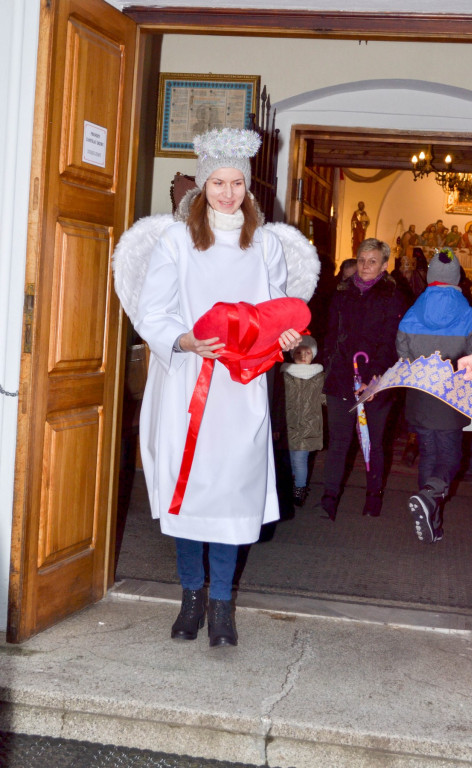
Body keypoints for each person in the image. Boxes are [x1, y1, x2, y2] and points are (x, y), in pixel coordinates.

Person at [134, 128, 302, 648]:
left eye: (236, 184)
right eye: (218, 183)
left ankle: (223, 603)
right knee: (192, 491)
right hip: (188, 381)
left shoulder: (265, 243)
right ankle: (190, 599)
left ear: (248, 188)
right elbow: (151, 310)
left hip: (241, 387)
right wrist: (181, 339)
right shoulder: (177, 240)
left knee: (231, 494)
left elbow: (274, 309)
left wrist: (288, 335)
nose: (227, 193)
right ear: (202, 185)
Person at [396, 247, 472, 544]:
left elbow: (402, 354)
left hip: (422, 396)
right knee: (450, 456)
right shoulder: (468, 314)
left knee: (429, 453)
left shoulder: (412, 312)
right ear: (456, 277)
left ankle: (432, 521)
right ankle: (430, 494)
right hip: (453, 397)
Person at [321, 238, 407, 520]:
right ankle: (329, 498)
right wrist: (328, 364)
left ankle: (373, 497)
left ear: (384, 265)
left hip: (376, 383)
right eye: (361, 260)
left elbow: (391, 340)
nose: (365, 266)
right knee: (339, 441)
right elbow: (331, 335)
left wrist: (376, 378)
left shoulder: (392, 296)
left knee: (374, 443)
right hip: (341, 380)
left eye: (372, 261)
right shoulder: (342, 293)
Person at [272, 336, 325, 506]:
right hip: (289, 424)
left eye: (307, 352)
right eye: (299, 352)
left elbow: (325, 399)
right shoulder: (285, 373)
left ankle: (299, 491)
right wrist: (276, 425)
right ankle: (293, 484)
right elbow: (280, 401)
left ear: (313, 355)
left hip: (309, 425)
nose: (303, 356)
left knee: (300, 459)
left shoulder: (319, 375)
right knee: (290, 458)